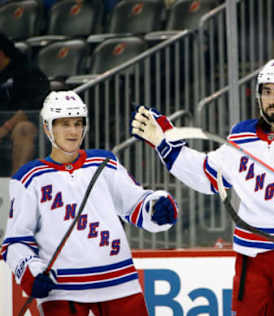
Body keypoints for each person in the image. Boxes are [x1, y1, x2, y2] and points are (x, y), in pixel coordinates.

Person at [131, 59, 274, 315]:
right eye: (267, 91)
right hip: (251, 260)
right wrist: (164, 144)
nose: (272, 99)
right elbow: (207, 175)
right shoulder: (242, 136)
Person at [1, 91, 179, 316]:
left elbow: (136, 204)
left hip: (119, 284)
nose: (73, 131)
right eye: (64, 124)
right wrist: (30, 272)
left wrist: (157, 208)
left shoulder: (104, 162)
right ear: (47, 128)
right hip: (62, 292)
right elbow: (15, 241)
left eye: (78, 123)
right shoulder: (29, 178)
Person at [0, 33, 50, 176]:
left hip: (28, 125)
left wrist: (6, 127)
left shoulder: (27, 70)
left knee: (23, 128)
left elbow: (33, 105)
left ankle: (17, 184)